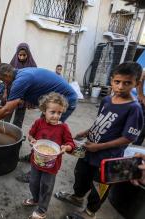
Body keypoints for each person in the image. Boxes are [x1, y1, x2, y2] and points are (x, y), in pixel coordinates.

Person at [55, 62, 144, 219]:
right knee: (81, 175)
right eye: (117, 82)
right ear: (111, 80)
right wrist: (86, 132)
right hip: (89, 150)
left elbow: (128, 138)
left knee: (99, 186)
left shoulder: (134, 108)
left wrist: (99, 146)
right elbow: (100, 121)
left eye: (127, 83)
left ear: (136, 83)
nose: (121, 87)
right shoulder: (107, 100)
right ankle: (77, 197)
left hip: (108, 157)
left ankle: (90, 212)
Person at [23, 92, 75, 219]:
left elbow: (70, 143)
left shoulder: (63, 127)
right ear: (44, 110)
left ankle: (42, 210)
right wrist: (32, 140)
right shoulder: (38, 123)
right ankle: (35, 199)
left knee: (46, 187)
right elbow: (30, 135)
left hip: (52, 165)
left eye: (59, 113)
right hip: (36, 161)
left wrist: (66, 147)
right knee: (33, 183)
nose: (56, 116)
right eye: (52, 112)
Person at [7, 43, 38, 128]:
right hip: (12, 93)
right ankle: (3, 131)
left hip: (24, 95)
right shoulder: (13, 64)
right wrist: (5, 92)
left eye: (24, 55)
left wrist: (30, 99)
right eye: (19, 55)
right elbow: (7, 79)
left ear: (28, 54)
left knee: (19, 118)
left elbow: (34, 82)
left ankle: (15, 134)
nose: (21, 57)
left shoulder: (32, 65)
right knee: (7, 113)